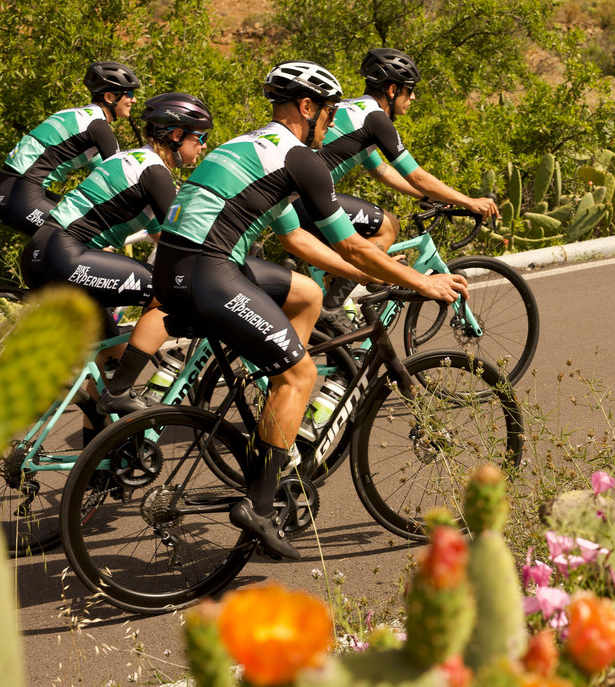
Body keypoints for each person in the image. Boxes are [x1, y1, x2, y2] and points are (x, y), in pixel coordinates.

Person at [151, 60, 468, 559]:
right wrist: (421, 282)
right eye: (328, 111)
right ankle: (258, 506)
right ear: (307, 107)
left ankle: (274, 403)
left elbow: (295, 236)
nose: (332, 120)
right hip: (209, 271)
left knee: (306, 294)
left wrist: (366, 277)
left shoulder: (254, 147)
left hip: (174, 268)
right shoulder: (302, 159)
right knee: (300, 376)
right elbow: (354, 247)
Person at [19, 93, 213, 443]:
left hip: (40, 252)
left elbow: (158, 233)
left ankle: (101, 454)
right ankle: (122, 393)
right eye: (199, 137)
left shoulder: (133, 161)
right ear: (174, 135)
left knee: (111, 356)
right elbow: (184, 238)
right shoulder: (155, 171)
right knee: (165, 294)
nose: (201, 148)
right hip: (68, 254)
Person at [297, 48, 499, 329]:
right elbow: (416, 176)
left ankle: (339, 293)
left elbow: (381, 171)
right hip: (304, 200)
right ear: (392, 90)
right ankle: (333, 306)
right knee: (388, 226)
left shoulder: (354, 110)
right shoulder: (375, 118)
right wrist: (469, 201)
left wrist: (428, 198)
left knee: (377, 232)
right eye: (410, 90)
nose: (413, 97)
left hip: (295, 200)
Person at [0, 61, 140, 237]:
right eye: (129, 94)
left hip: (6, 191)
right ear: (109, 97)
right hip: (24, 198)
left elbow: (101, 170)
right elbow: (123, 177)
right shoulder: (98, 127)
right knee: (85, 237)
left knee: (84, 226)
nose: (134, 100)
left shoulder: (73, 115)